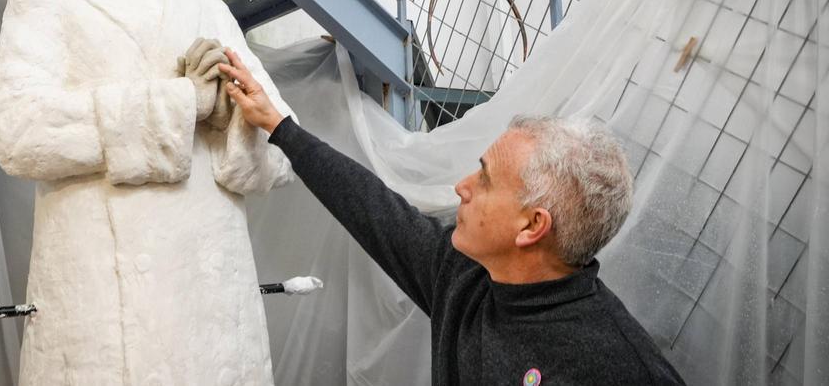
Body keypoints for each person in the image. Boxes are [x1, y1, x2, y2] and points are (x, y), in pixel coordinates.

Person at [0, 0, 294, 384]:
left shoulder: (212, 15)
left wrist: (229, 120)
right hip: (101, 305)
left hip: (207, 307)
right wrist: (180, 103)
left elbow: (283, 152)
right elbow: (20, 134)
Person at [218, 49, 686, 385]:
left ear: (531, 227)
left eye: (484, 179)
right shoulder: (467, 280)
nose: (462, 187)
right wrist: (280, 128)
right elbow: (372, 208)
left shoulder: (617, 367)